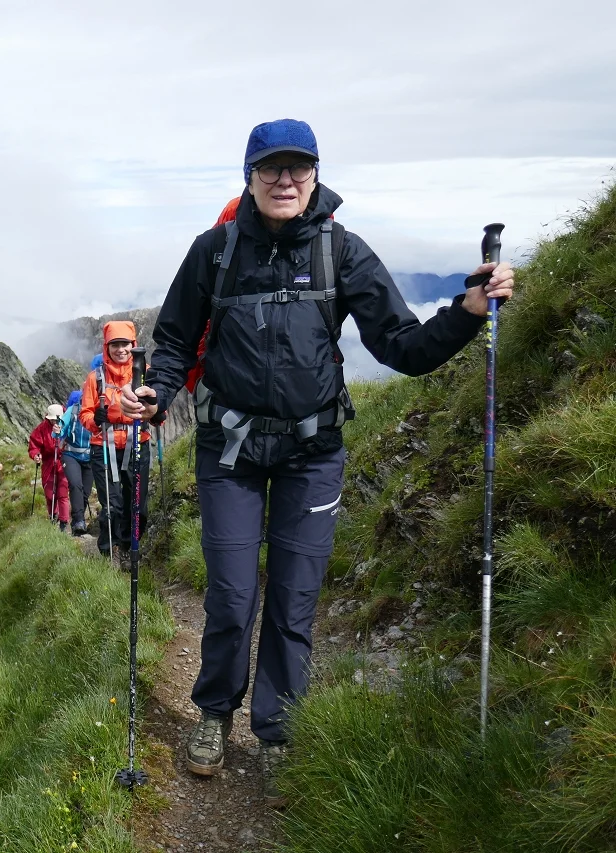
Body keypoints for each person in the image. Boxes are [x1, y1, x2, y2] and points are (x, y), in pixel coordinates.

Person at [125, 118, 515, 807]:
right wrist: (156, 393)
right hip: (230, 451)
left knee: (295, 596)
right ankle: (215, 712)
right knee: (232, 595)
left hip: (313, 453)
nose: (285, 179)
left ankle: (278, 731)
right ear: (249, 176)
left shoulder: (343, 250)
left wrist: (467, 310)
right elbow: (177, 341)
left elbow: (401, 345)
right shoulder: (215, 250)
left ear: (314, 175)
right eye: (271, 167)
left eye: (297, 167)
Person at [80, 321, 151, 561]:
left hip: (137, 442)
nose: (121, 349)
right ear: (107, 347)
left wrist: (158, 414)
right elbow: (85, 414)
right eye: (115, 344)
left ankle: (131, 547)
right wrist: (95, 419)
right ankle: (109, 552)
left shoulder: (145, 373)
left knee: (138, 505)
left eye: (125, 344)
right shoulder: (95, 378)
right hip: (103, 445)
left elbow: (157, 407)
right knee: (112, 505)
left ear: (133, 345)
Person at [28, 404, 70, 531]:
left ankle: (64, 521)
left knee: (62, 493)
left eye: (56, 420)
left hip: (63, 461)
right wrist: (36, 455)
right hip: (48, 463)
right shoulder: (42, 428)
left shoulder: (67, 424)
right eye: (52, 420)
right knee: (50, 494)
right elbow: (34, 445)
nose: (54, 422)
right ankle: (53, 514)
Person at [58, 390, 94, 535]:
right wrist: (58, 431)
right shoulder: (72, 411)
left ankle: (77, 521)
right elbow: (61, 428)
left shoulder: (95, 410)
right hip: (70, 455)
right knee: (75, 485)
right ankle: (79, 520)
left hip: (90, 457)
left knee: (85, 492)